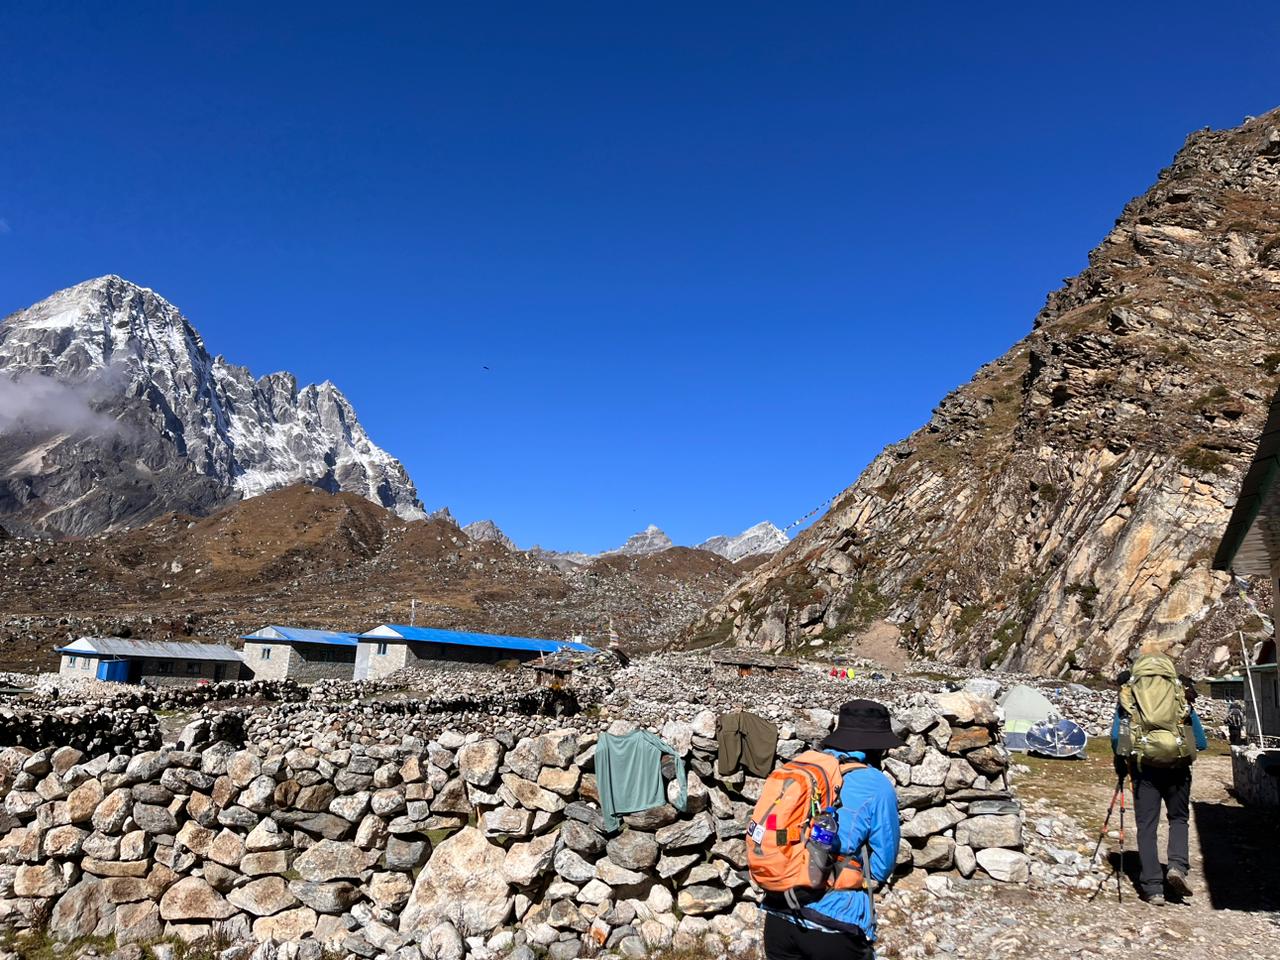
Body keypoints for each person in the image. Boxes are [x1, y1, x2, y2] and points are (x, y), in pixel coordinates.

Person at [764, 700, 902, 960]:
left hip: (778, 913)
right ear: (877, 748)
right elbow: (883, 865)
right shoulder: (876, 785)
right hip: (834, 920)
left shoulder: (803, 766)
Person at [1110, 657, 1207, 905]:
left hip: (1144, 769)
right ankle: (1176, 867)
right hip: (1178, 769)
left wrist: (1121, 764)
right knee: (1179, 819)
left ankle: (1153, 888)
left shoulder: (1129, 695)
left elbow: (1117, 738)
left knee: (1147, 827)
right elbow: (1201, 742)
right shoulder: (1178, 693)